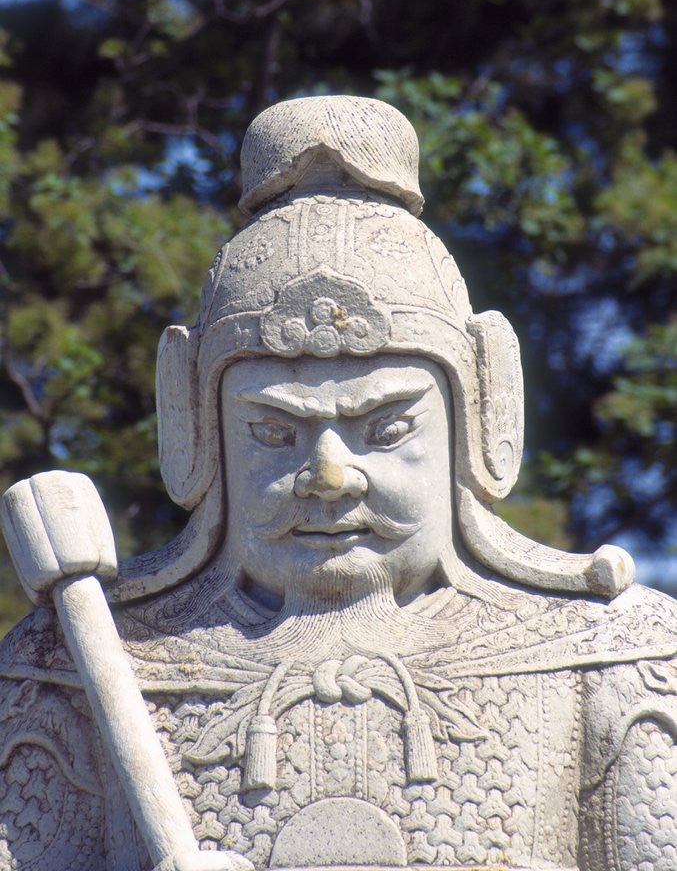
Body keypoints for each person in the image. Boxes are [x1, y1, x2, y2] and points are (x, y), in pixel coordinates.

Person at [1, 96, 676, 871]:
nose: (328, 477)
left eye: (385, 429)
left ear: (480, 415)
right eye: (273, 431)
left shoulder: (614, 660)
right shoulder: (75, 668)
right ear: (196, 428)